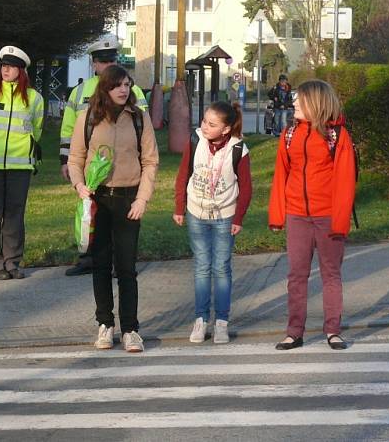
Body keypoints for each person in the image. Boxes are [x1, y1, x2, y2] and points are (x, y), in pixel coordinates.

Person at [68, 65, 159, 353]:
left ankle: (131, 329)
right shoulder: (88, 118)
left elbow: (151, 162)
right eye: (117, 85)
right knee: (100, 264)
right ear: (105, 89)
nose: (123, 90)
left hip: (129, 199)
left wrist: (142, 199)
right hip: (98, 199)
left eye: (127, 84)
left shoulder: (139, 119)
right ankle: (105, 324)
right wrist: (80, 186)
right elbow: (75, 159)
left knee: (127, 267)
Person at [267, 80, 356, 350]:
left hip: (328, 215)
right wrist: (277, 215)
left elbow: (345, 180)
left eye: (299, 100)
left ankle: (333, 330)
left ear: (315, 104)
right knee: (296, 275)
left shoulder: (337, 136)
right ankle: (294, 331)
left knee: (330, 274)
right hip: (297, 214)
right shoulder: (289, 134)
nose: (293, 103)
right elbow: (281, 174)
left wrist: (340, 221)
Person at [60, 35, 149, 277]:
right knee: (89, 215)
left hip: (124, 168)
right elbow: (69, 128)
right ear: (94, 63)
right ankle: (89, 258)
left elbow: (142, 128)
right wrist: (65, 160)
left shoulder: (133, 89)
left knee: (120, 221)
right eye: (102, 61)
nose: (107, 65)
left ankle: (120, 263)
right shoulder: (80, 92)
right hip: (91, 168)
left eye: (111, 60)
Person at [173, 101, 253, 344]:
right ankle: (200, 319)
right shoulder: (195, 141)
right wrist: (179, 207)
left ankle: (221, 322)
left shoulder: (238, 149)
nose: (204, 126)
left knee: (221, 268)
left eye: (211, 124)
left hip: (224, 216)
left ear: (226, 129)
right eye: (204, 121)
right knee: (201, 266)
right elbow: (183, 174)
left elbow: (247, 187)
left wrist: (238, 217)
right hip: (196, 212)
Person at [0, 45, 43, 280]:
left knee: (14, 215)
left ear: (21, 71)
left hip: (20, 165)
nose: (5, 70)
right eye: (4, 65)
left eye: (11, 66)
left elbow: (37, 130)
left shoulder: (34, 99)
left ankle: (12, 262)